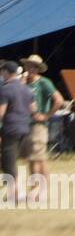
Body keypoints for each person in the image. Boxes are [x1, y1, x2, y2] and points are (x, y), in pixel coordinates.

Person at [20, 55, 63, 203]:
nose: (29, 69)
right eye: (28, 66)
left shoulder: (44, 83)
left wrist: (46, 116)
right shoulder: (23, 83)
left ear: (38, 69)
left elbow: (59, 100)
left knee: (36, 158)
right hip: (24, 125)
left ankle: (38, 191)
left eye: (33, 66)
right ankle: (39, 191)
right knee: (34, 159)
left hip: (37, 126)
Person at [0, 61, 34, 202]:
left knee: (9, 163)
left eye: (2, 72)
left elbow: (1, 112)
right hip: (25, 129)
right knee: (21, 161)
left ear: (7, 72)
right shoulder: (26, 89)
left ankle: (15, 195)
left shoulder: (5, 89)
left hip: (10, 129)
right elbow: (33, 109)